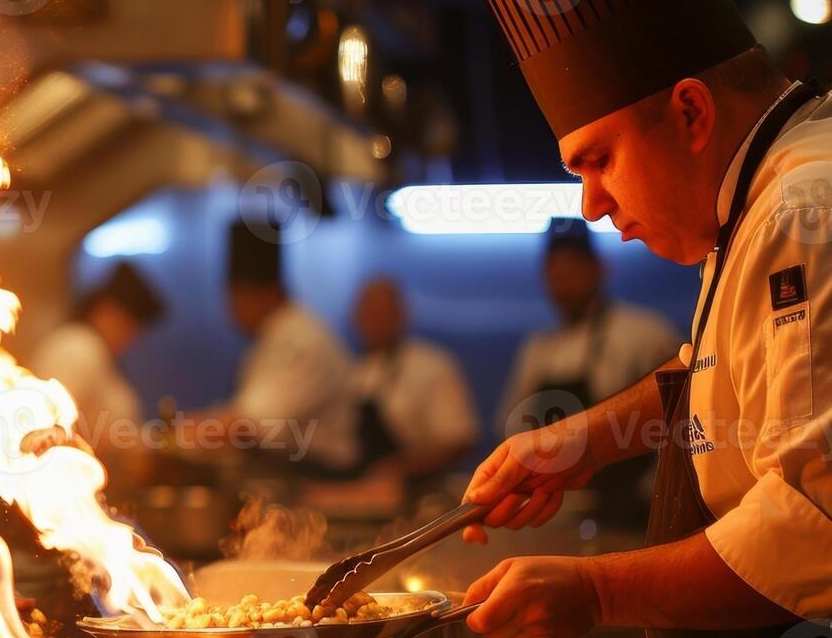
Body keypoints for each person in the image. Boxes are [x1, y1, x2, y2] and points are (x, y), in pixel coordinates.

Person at [463, 0, 832, 638]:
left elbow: (814, 526)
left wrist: (592, 594)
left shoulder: (809, 208)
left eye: (597, 161)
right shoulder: (754, 202)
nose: (590, 205)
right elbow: (710, 376)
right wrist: (582, 440)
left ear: (690, 109)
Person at [501, 220, 682, 527]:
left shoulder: (644, 332)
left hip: (634, 512)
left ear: (599, 269)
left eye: (572, 271)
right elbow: (514, 427)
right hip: (558, 514)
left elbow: (680, 417)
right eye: (555, 274)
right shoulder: (538, 349)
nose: (563, 283)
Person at [221, 223, 358, 474]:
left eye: (236, 298)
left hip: (320, 478)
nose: (231, 313)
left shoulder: (303, 339)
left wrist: (171, 439)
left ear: (266, 292)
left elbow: (251, 422)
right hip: (287, 472)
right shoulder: (268, 338)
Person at [347, 277, 479, 485]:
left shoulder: (433, 365)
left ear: (401, 315)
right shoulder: (357, 371)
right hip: (367, 489)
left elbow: (459, 441)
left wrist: (400, 467)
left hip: (423, 493)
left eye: (380, 313)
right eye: (366, 313)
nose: (372, 322)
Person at [27, 262, 165, 436]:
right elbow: (50, 423)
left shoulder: (95, 350)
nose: (131, 337)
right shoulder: (79, 346)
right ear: (103, 310)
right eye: (127, 325)